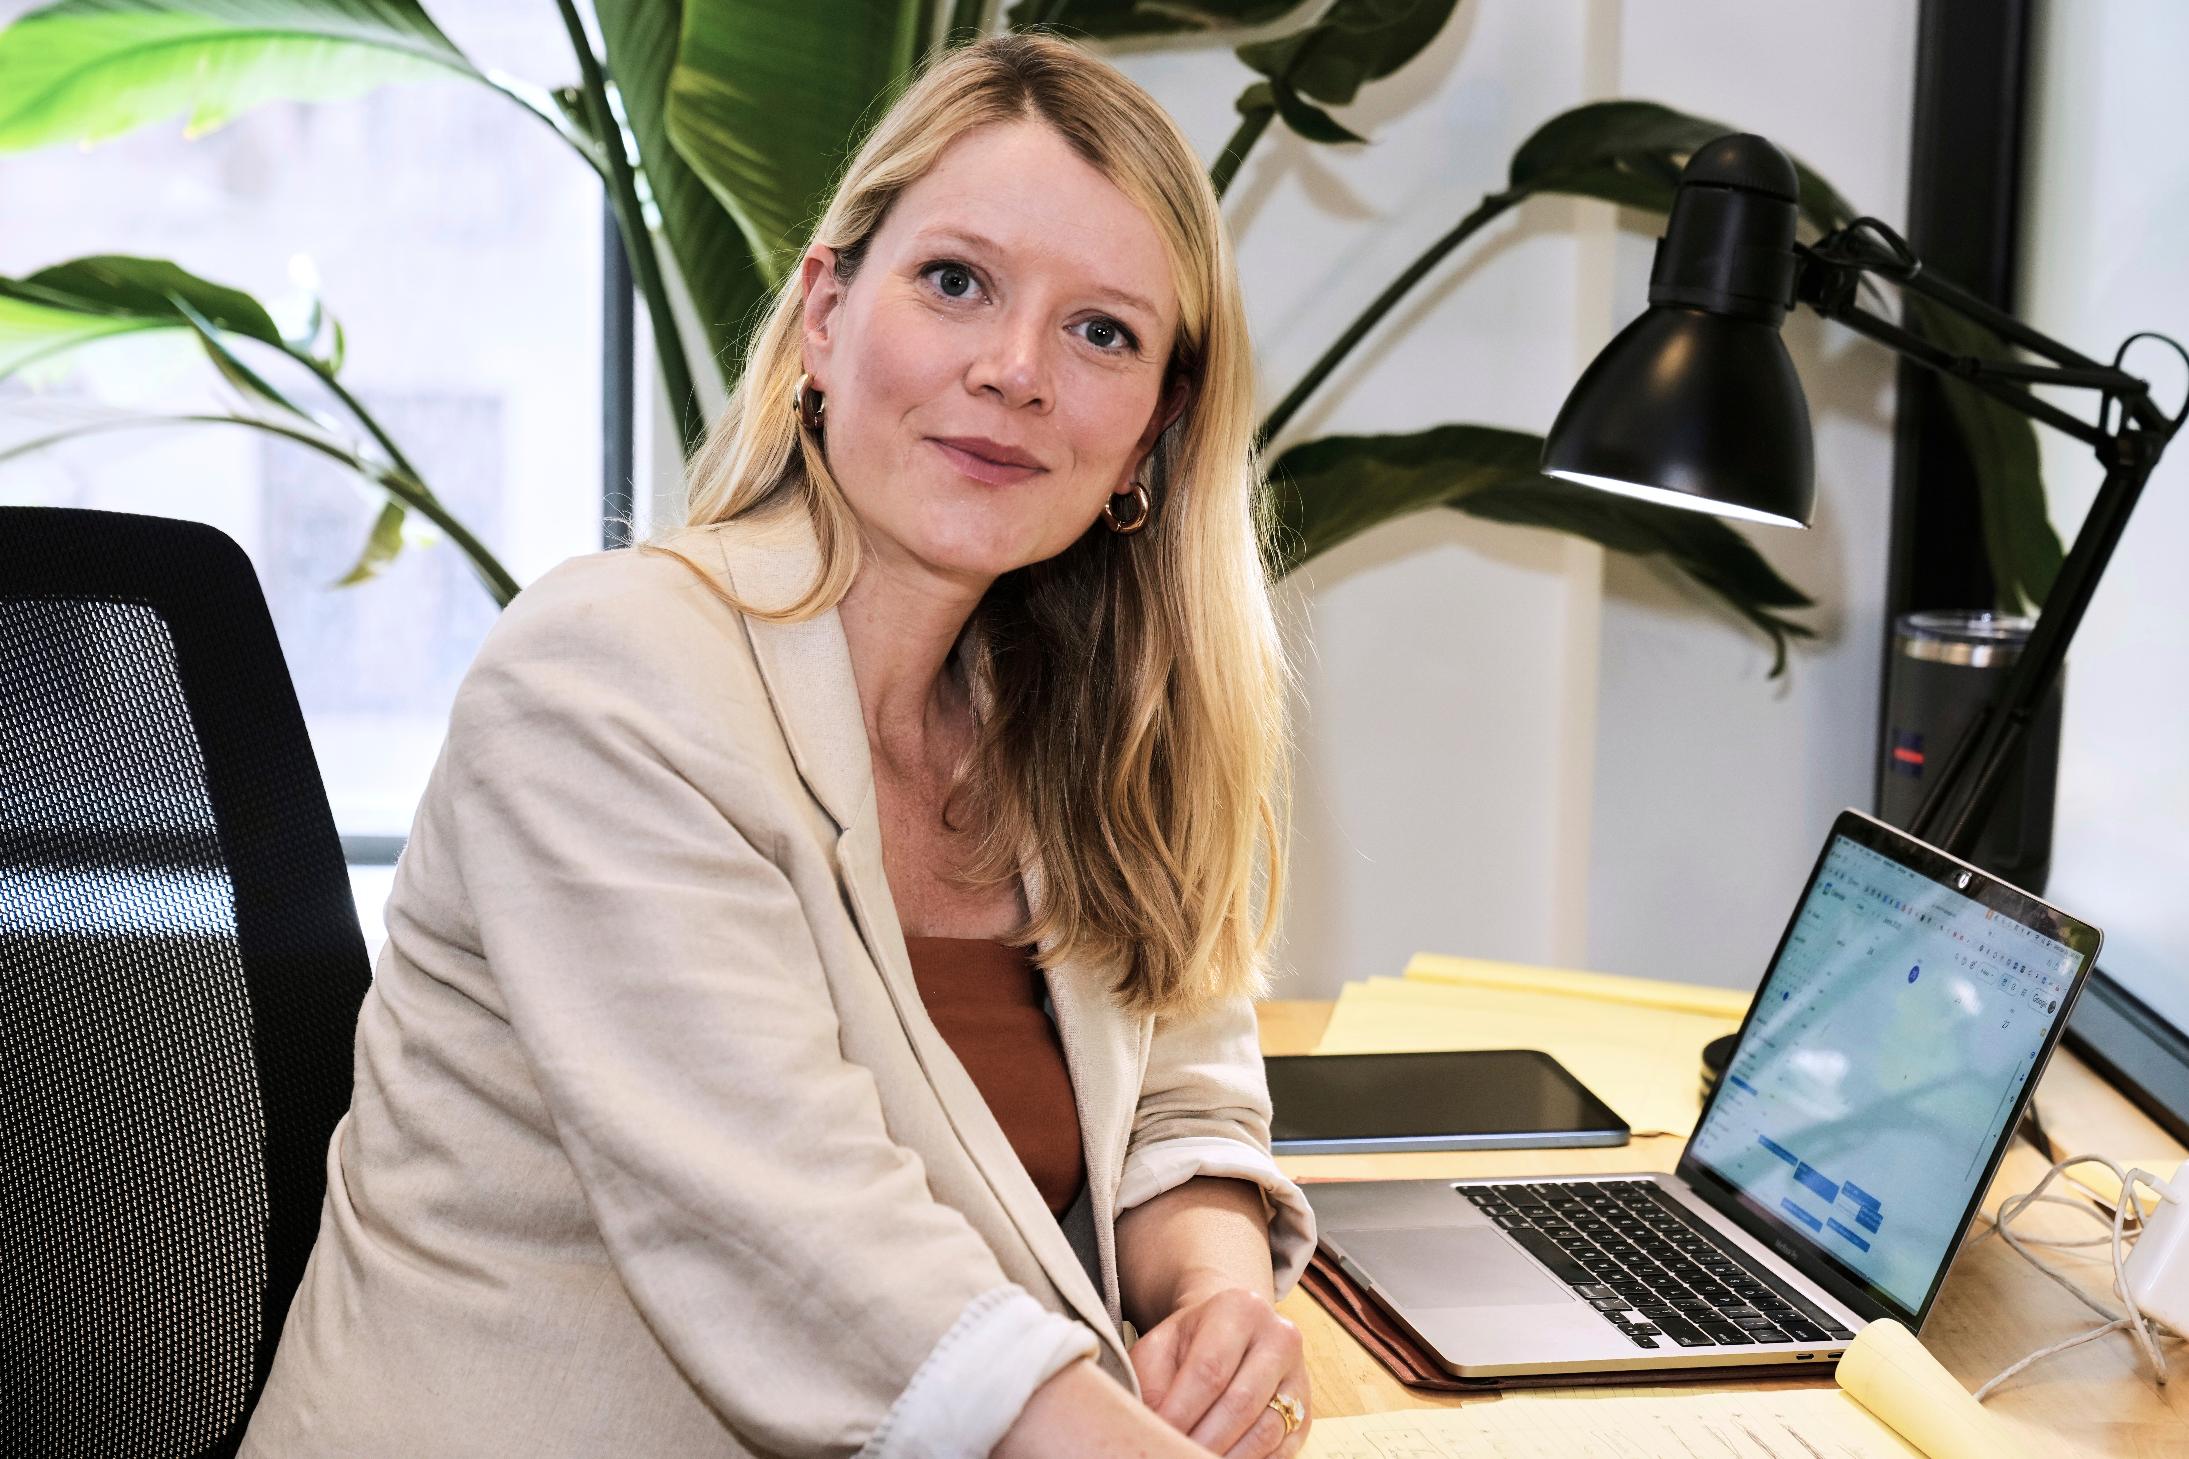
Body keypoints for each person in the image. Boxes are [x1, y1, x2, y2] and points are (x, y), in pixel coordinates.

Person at [243, 30, 1317, 1459]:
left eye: (1101, 331)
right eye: (956, 282)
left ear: (1151, 433)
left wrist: (1218, 1296)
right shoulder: (608, 678)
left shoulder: (1062, 725)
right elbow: (802, 1232)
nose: (1014, 369)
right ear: (823, 314)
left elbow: (1179, 1074)